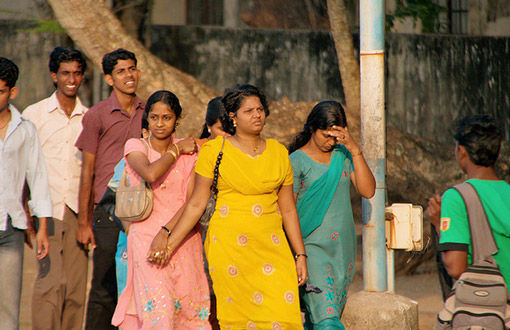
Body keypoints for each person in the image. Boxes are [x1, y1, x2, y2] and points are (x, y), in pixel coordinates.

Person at [150, 84, 308, 328]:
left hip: (273, 249)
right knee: (239, 320)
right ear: (233, 117)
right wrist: (169, 243)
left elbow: (288, 209)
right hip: (231, 250)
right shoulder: (215, 150)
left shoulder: (278, 153)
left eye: (260, 109)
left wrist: (300, 255)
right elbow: (196, 204)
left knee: (283, 316)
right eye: (249, 111)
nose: (257, 115)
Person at [112, 90, 211, 329]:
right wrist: (176, 151)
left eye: (166, 118)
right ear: (146, 119)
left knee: (188, 311)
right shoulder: (137, 146)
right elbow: (150, 173)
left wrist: (167, 236)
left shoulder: (192, 155)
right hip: (146, 240)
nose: (159, 123)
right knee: (159, 311)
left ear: (177, 120)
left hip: (183, 238)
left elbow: (191, 202)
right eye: (154, 117)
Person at [288, 101, 375, 329]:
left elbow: (368, 191)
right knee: (327, 319)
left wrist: (355, 150)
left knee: (320, 316)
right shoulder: (296, 161)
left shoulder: (343, 155)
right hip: (311, 248)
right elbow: (288, 209)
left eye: (335, 137)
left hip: (342, 252)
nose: (331, 142)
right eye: (326, 135)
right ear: (312, 129)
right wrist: (298, 254)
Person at [75, 48, 144, 329]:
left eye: (132, 69)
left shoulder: (150, 111)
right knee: (104, 286)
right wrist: (84, 222)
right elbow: (87, 171)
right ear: (108, 78)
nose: (129, 75)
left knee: (135, 285)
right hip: (107, 210)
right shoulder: (97, 115)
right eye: (121, 71)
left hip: (140, 209)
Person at [22, 47, 89, 330]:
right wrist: (27, 218)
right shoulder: (34, 115)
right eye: (65, 73)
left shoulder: (90, 117)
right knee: (50, 283)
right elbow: (21, 166)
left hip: (77, 212)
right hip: (45, 212)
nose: (71, 79)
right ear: (54, 76)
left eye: (76, 73)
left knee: (75, 289)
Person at [427, 115, 510, 291]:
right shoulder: (506, 192)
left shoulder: (457, 197)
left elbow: (455, 267)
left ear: (461, 151)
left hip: (488, 309)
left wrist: (437, 224)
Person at [0, 57, 52, 330]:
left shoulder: (26, 129)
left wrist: (42, 228)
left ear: (12, 92)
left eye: (0, 91)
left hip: (11, 228)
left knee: (9, 309)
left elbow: (38, 178)